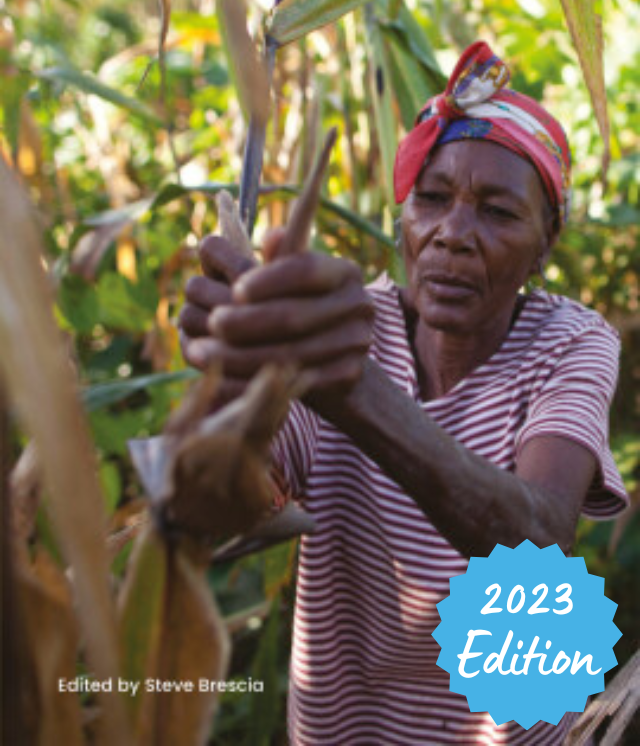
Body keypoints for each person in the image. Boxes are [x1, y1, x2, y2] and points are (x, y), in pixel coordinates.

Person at [179, 42, 628, 745]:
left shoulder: (569, 341)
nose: (453, 235)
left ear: (546, 243)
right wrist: (227, 396)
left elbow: (539, 539)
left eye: (497, 212)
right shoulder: (344, 326)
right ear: (403, 219)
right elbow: (226, 507)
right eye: (432, 199)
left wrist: (350, 388)